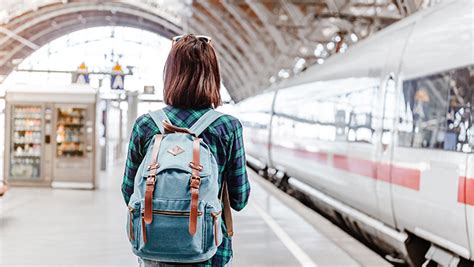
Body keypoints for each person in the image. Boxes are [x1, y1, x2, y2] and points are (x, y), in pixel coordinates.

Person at [121, 34, 250, 267]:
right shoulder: (228, 127)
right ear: (213, 76)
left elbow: (128, 191)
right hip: (211, 254)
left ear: (170, 75)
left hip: (154, 252)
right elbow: (240, 199)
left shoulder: (146, 125)